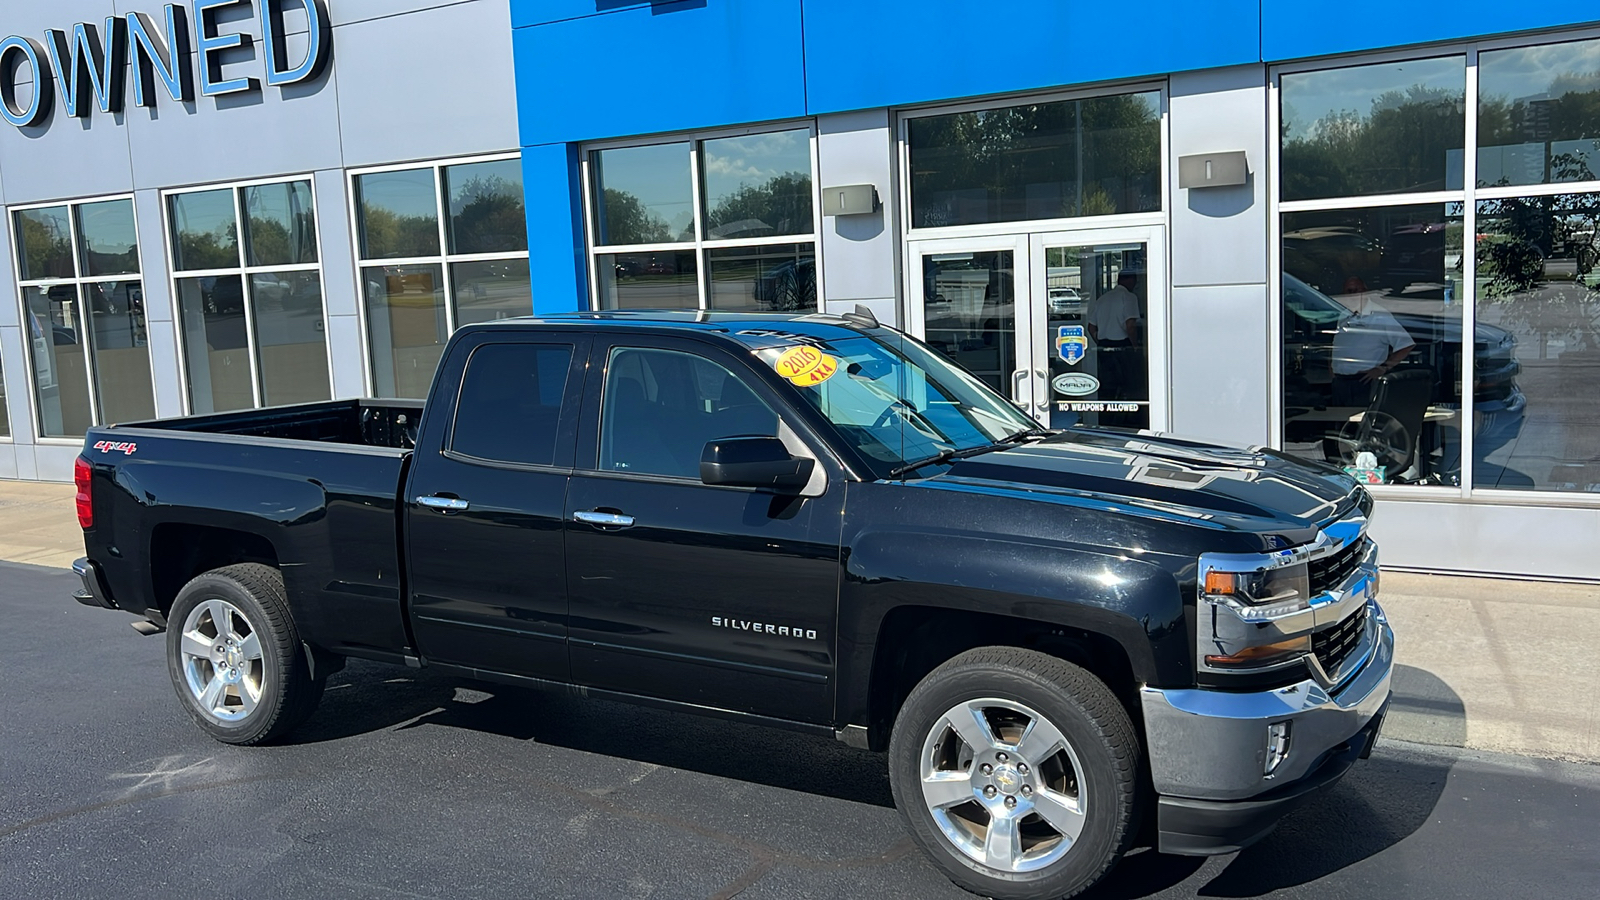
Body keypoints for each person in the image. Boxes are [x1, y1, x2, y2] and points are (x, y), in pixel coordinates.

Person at [1331, 281, 1414, 406]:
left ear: (1365, 291)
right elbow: (1337, 342)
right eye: (1348, 291)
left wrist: (1383, 368)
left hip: (1365, 382)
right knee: (1341, 423)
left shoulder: (1380, 316)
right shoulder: (1344, 314)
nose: (1352, 294)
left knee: (1363, 422)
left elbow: (1406, 345)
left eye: (1356, 290)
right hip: (1340, 382)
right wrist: (1331, 367)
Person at [1086, 272, 1146, 426]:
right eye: (1135, 280)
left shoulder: (1103, 298)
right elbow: (1130, 325)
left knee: (1107, 388)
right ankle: (1128, 421)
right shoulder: (1129, 297)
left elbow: (1091, 327)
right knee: (1130, 387)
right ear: (1129, 280)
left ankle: (1106, 420)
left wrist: (1100, 342)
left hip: (1104, 347)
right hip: (1123, 347)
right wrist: (1135, 346)